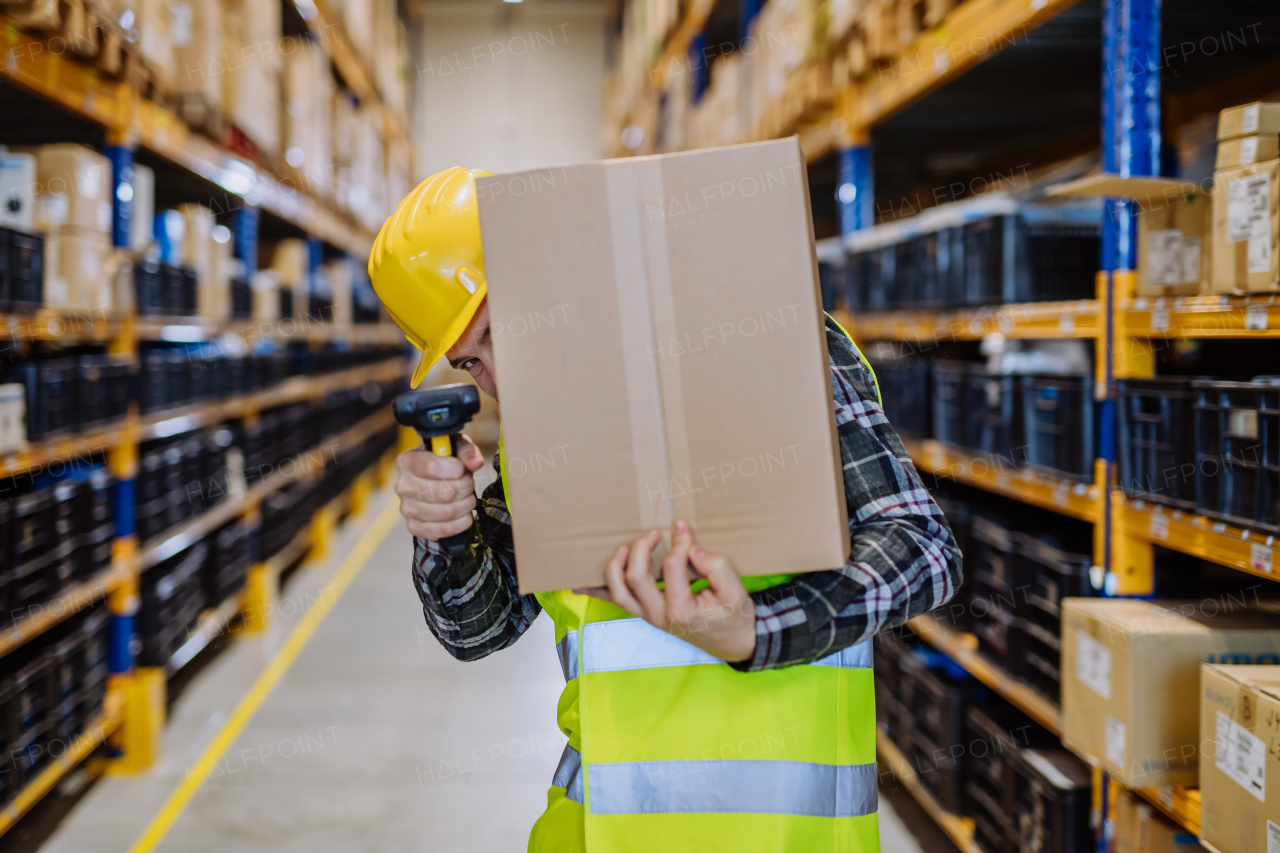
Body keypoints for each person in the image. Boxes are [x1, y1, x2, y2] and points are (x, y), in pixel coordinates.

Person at [370, 166, 963, 853]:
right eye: (468, 363)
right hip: (597, 830)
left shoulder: (770, 343)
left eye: (499, 333)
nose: (497, 383)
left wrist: (756, 629)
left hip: (783, 832)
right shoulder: (540, 438)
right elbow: (480, 628)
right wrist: (447, 531)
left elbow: (923, 547)